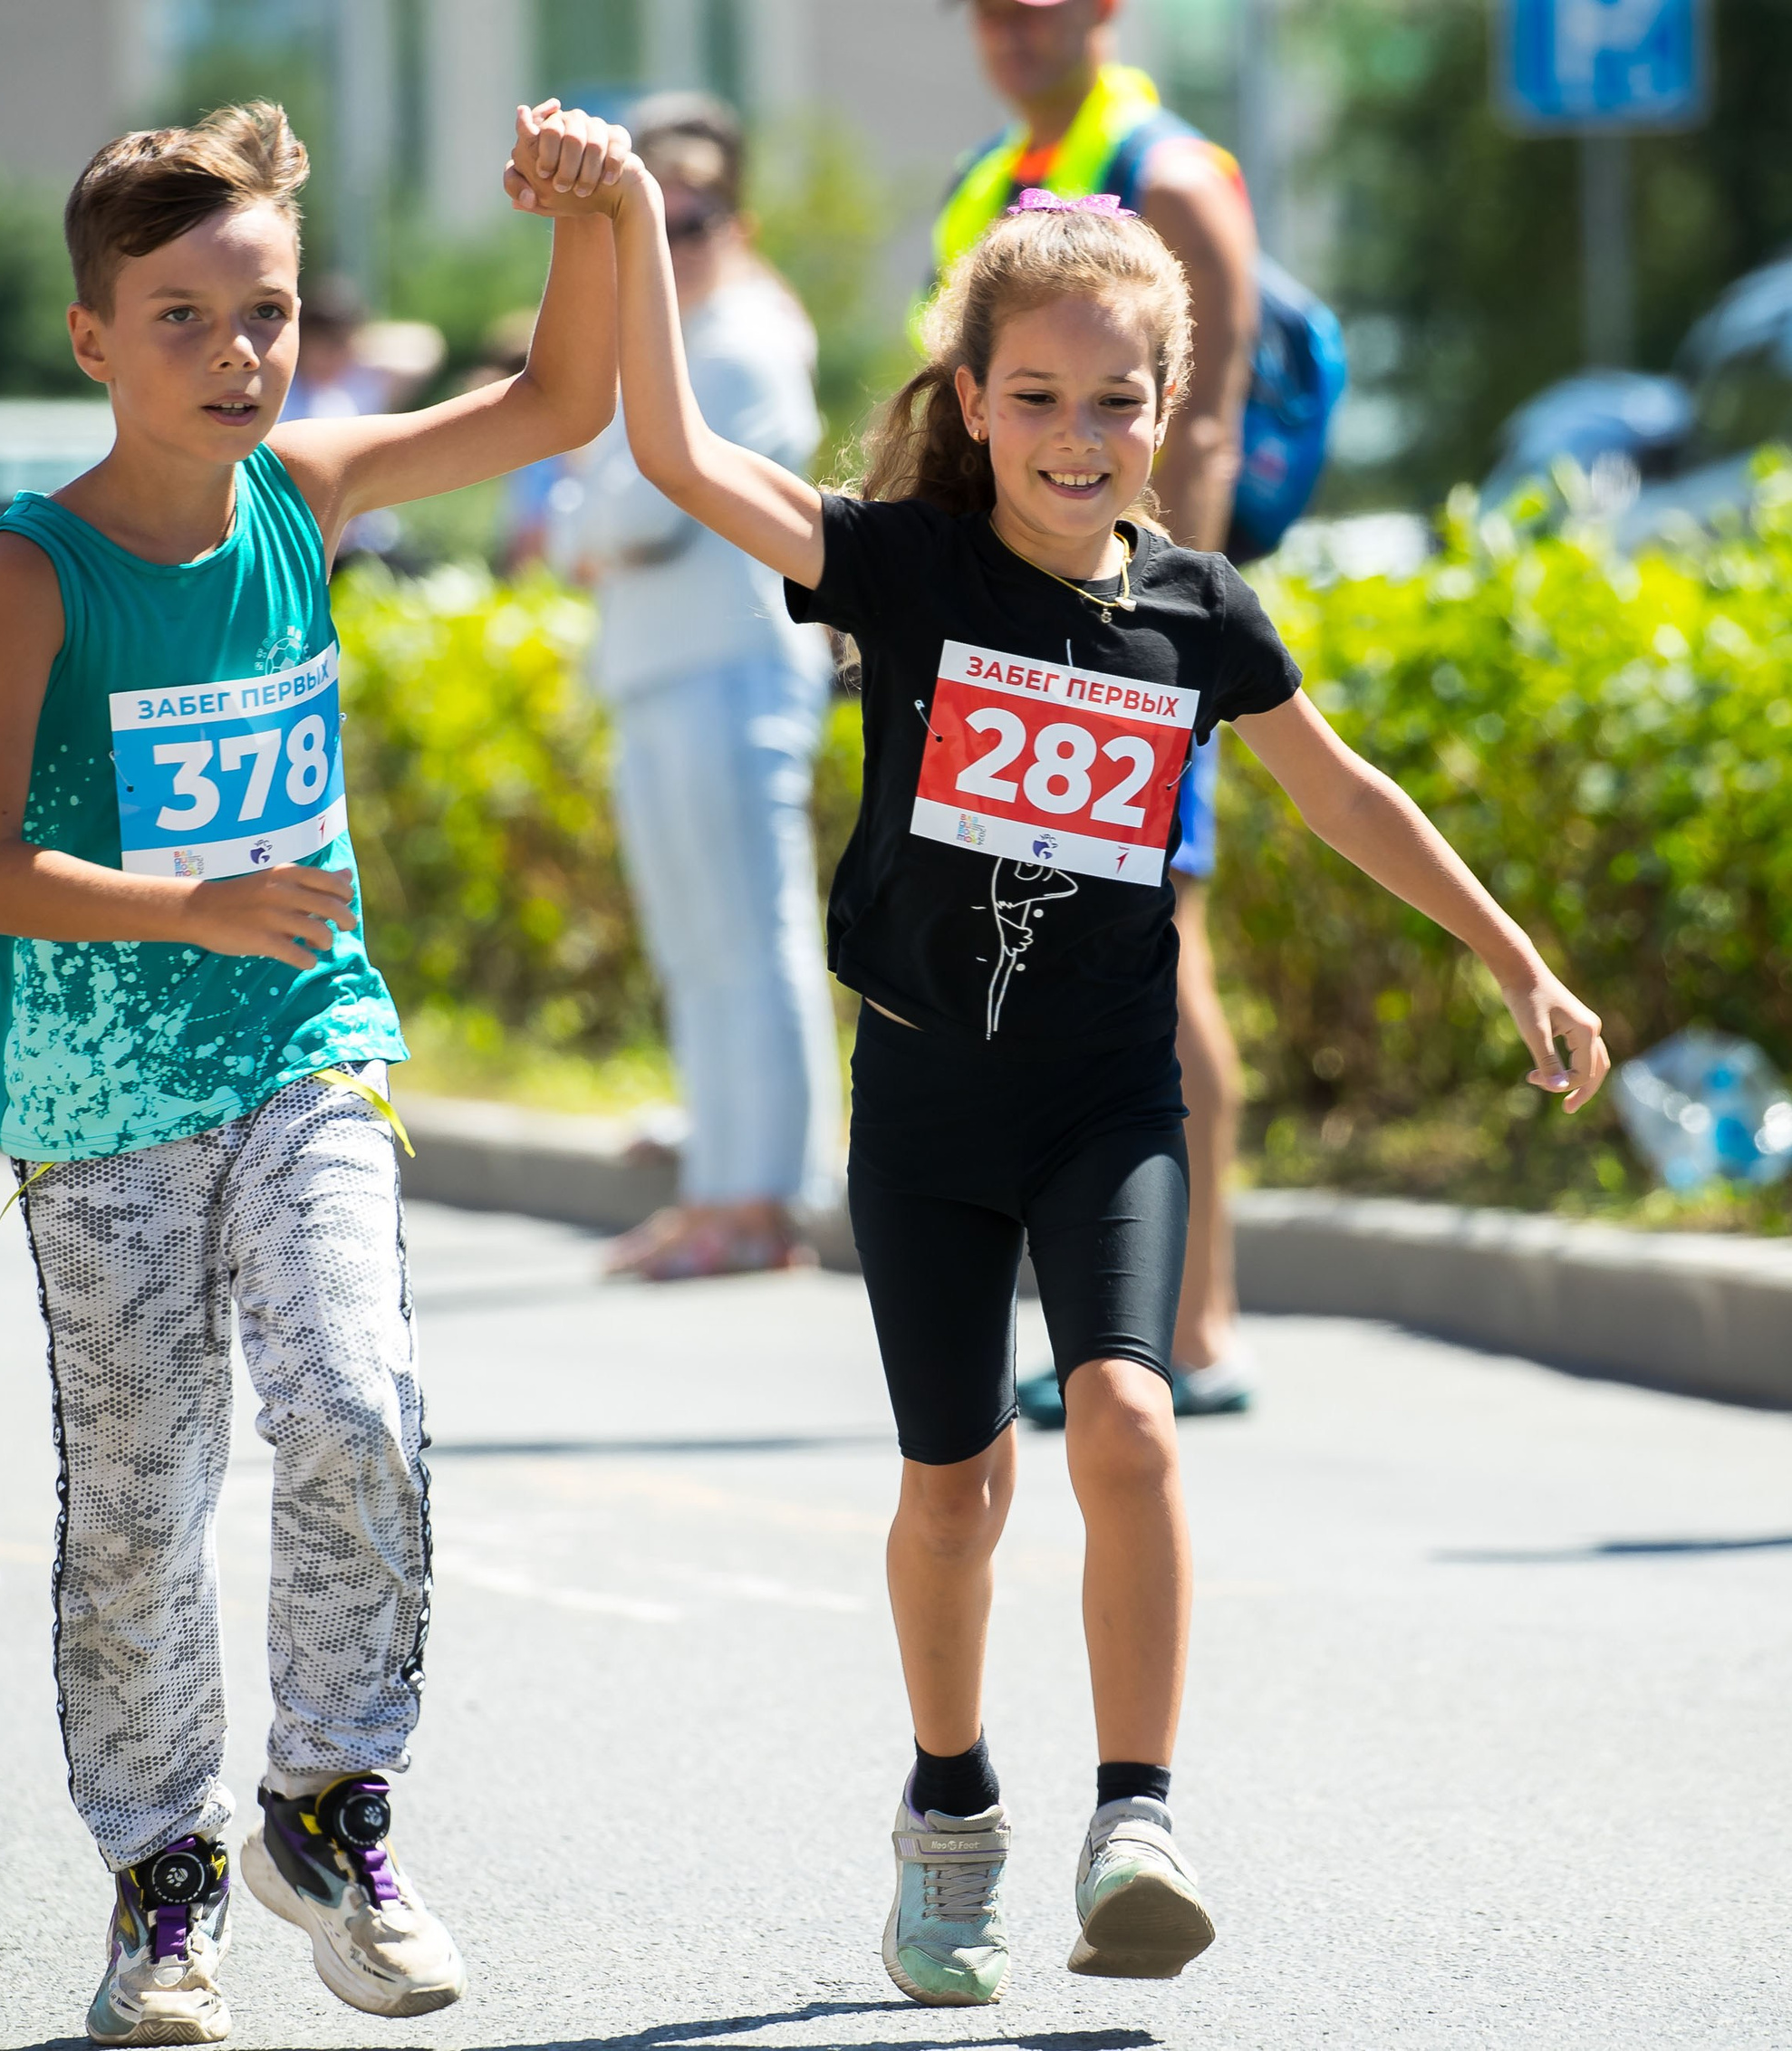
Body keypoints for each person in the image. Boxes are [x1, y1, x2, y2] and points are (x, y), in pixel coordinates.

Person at [516, 141, 1608, 2001]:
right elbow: (684, 464)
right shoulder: (906, 563)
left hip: (1107, 1103)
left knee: (1127, 1414)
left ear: (1165, 410)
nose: (1075, 435)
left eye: (1115, 401)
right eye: (1033, 398)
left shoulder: (1195, 608)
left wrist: (1511, 956)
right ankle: (948, 1814)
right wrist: (625, 228)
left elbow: (1336, 789)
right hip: (929, 1110)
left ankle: (1137, 1819)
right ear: (970, 403)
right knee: (953, 1489)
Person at [0, 99, 628, 2046]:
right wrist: (186, 899)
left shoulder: (303, 493)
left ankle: (330, 1808)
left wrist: (596, 211)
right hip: (100, 1108)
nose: (240, 356)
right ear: (92, 341)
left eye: (269, 314)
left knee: (356, 1398)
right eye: (183, 319)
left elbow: (559, 401)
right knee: (144, 1504)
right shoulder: (35, 570)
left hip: (307, 1044)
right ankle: (161, 1884)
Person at [939, 0, 1264, 1419]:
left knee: (1160, 953)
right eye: (989, 8)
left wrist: (1137, 640)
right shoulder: (1002, 171)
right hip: (1010, 642)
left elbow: (1204, 425)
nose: (1012, 28)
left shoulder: (1171, 171)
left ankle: (1193, 1325)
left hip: (1128, 651)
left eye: (1042, 5)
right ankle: (1147, 1317)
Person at [547, 92, 840, 1281]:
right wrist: (597, 518)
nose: (675, 239)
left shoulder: (751, 338)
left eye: (697, 212)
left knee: (752, 939)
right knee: (697, 944)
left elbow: (635, 508)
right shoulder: (660, 344)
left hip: (736, 671)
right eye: (650, 210)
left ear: (743, 219)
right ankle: (722, 1184)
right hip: (663, 672)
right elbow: (587, 515)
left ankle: (763, 1203)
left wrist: (599, 517)